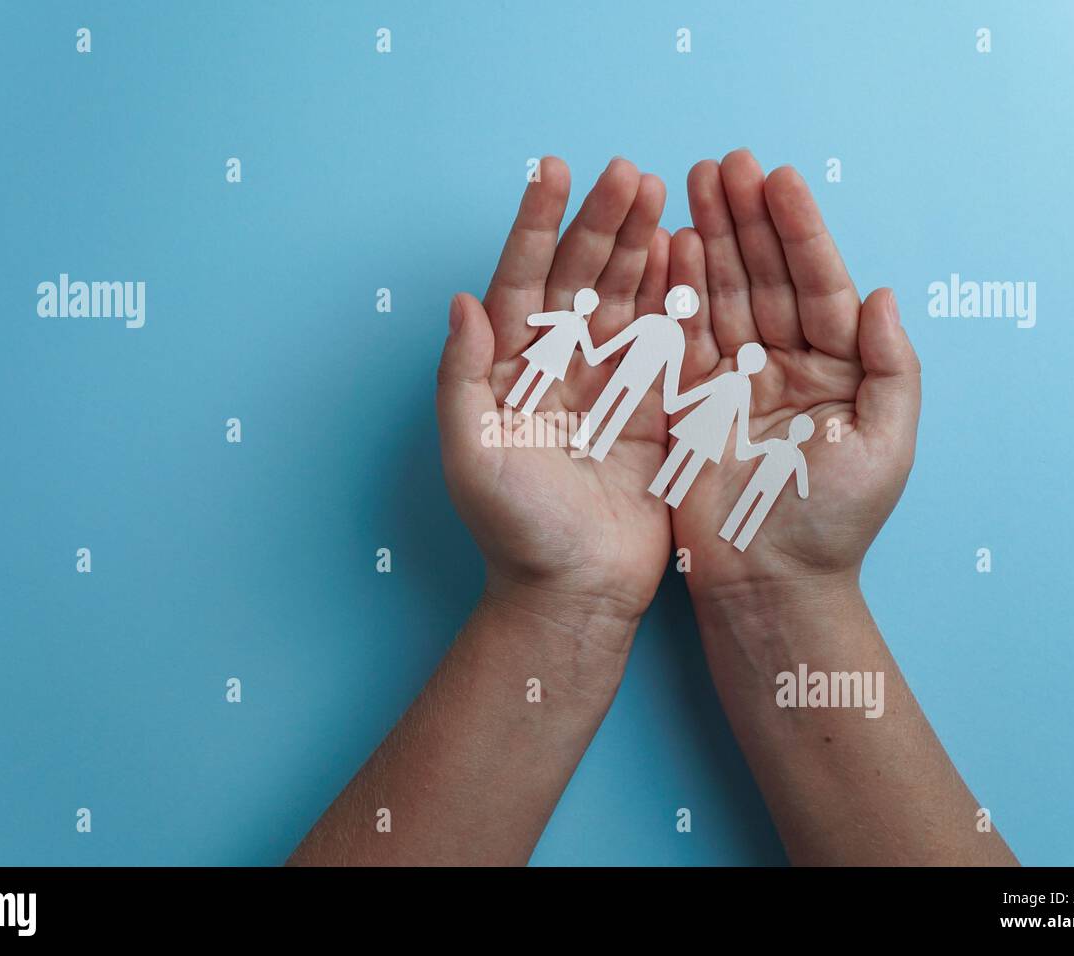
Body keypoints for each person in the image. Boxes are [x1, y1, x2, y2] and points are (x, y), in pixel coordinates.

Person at [288, 152, 1018, 867]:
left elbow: (681, 376)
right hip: (646, 408)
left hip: (702, 434)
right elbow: (659, 362)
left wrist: (784, 584)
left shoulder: (710, 374)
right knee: (609, 420)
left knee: (644, 436)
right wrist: (565, 593)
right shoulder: (659, 339)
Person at [569, 284, 698, 461]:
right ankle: (595, 447)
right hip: (636, 378)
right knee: (618, 411)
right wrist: (670, 399)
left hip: (629, 373)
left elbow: (621, 340)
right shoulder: (676, 336)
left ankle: (585, 441)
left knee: (608, 405)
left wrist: (598, 354)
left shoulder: (653, 322)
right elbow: (672, 374)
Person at [648, 341, 766, 508]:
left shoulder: (736, 381)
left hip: (708, 424)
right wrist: (677, 402)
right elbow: (706, 393)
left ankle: (663, 489)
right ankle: (664, 491)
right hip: (710, 425)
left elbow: (706, 393)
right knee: (687, 458)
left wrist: (677, 402)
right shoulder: (740, 384)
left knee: (686, 457)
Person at [721, 413, 813, 550]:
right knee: (757, 514)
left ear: (791, 427)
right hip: (772, 489)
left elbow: (747, 453)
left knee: (743, 506)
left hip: (758, 481)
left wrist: (743, 436)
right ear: (806, 437)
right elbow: (803, 491)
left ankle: (728, 532)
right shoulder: (798, 457)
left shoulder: (775, 444)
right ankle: (740, 541)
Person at [503, 287, 599, 417]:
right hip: (549, 349)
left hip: (557, 355)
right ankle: (514, 399)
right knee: (532, 370)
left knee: (543, 378)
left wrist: (533, 319)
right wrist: (533, 319)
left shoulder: (580, 325)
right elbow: (545, 318)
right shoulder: (568, 316)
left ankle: (526, 408)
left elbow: (587, 347)